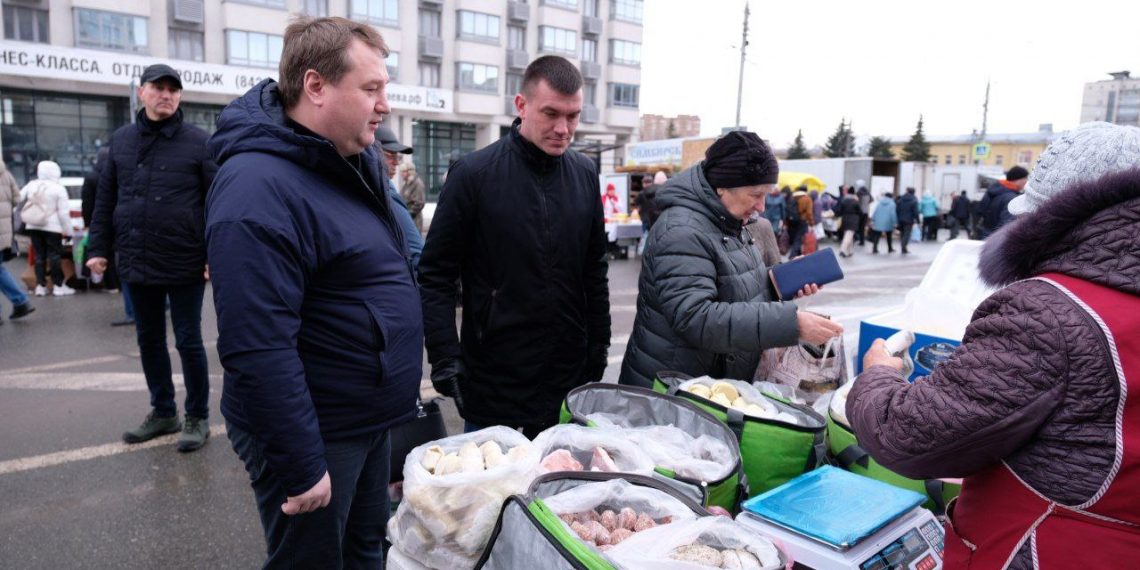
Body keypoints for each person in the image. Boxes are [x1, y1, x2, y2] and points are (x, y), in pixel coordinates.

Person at [847, 122, 1140, 568]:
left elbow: (908, 435)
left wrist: (878, 376)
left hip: (1044, 546)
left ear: (1057, 215)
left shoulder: (1047, 311)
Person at [205, 17, 422, 567]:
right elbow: (258, 343)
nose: (385, 105)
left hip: (363, 417)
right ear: (316, 86)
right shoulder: (257, 187)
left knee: (367, 549)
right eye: (371, 89)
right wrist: (302, 463)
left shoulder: (351, 159)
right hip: (317, 430)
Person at [420, 55, 610, 438]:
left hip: (565, 373)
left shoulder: (585, 173)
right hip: (493, 374)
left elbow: (594, 268)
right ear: (521, 105)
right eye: (550, 113)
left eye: (572, 116)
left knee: (559, 475)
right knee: (493, 477)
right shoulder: (473, 175)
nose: (563, 128)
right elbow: (435, 275)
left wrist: (600, 343)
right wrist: (444, 357)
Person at [619, 131, 842, 387]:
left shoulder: (730, 219)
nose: (762, 207)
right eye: (755, 194)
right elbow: (696, 318)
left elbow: (732, 284)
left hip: (706, 383)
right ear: (722, 186)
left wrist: (777, 283)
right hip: (672, 388)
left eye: (766, 194)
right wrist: (790, 324)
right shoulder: (681, 231)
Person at [86, 64, 216, 451]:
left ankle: (197, 416)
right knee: (149, 340)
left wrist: (213, 254)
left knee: (189, 341)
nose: (166, 95)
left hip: (185, 258)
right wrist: (97, 249)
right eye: (158, 88)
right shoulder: (122, 140)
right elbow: (106, 199)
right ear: (141, 92)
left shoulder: (199, 142)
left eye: (173, 89)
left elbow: (215, 201)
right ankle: (163, 412)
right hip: (136, 255)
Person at [81, 147, 134, 326]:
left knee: (120, 263)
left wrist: (90, 225)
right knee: (128, 261)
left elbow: (89, 204)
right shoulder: (124, 171)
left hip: (107, 225)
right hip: (125, 223)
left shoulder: (92, 177)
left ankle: (130, 309)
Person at [19, 161, 74, 296]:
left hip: (33, 225)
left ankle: (40, 286)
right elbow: (63, 213)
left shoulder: (31, 185)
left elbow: (18, 199)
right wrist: (68, 230)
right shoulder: (58, 188)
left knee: (39, 256)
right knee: (54, 256)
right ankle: (58, 285)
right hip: (52, 227)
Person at [373, 126, 424, 267]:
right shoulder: (383, 189)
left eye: (398, 157)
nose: (396, 162)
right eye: (390, 155)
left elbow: (419, 203)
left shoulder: (411, 184)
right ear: (372, 153)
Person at [0, 159, 34, 323]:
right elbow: (17, 198)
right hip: (4, 230)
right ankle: (20, 302)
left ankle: (20, 301)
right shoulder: (5, 174)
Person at [977, 166, 1028, 238]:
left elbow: (981, 210)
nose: (1026, 181)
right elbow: (1007, 224)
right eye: (1025, 178)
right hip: (999, 238)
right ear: (1018, 179)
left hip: (985, 233)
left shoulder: (992, 190)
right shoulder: (1011, 197)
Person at [399, 161, 426, 234]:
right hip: (407, 220)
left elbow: (420, 203)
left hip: (414, 221)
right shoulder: (407, 184)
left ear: (409, 172)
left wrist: (408, 215)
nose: (401, 174)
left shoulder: (417, 183)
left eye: (403, 171)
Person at [786, 185, 814, 257]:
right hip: (802, 220)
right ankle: (793, 255)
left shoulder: (793, 197)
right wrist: (811, 223)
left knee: (795, 237)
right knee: (799, 238)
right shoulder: (807, 199)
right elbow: (809, 213)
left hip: (792, 220)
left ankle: (798, 254)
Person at [837, 187, 862, 257]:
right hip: (853, 221)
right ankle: (843, 250)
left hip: (845, 219)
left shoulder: (844, 201)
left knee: (848, 235)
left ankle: (850, 251)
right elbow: (860, 212)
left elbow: (839, 211)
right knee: (848, 236)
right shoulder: (855, 201)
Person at [896, 187, 920, 254]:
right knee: (907, 234)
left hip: (900, 219)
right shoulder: (914, 200)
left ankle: (903, 247)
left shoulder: (901, 199)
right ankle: (903, 247)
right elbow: (916, 212)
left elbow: (897, 210)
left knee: (902, 233)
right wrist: (918, 220)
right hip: (909, 220)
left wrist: (897, 218)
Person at [856, 181, 872, 246]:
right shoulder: (868, 192)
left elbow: (856, 201)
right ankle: (862, 241)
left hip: (860, 212)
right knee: (862, 227)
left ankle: (858, 239)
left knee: (858, 227)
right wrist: (866, 203)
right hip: (866, 212)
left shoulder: (858, 192)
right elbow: (872, 199)